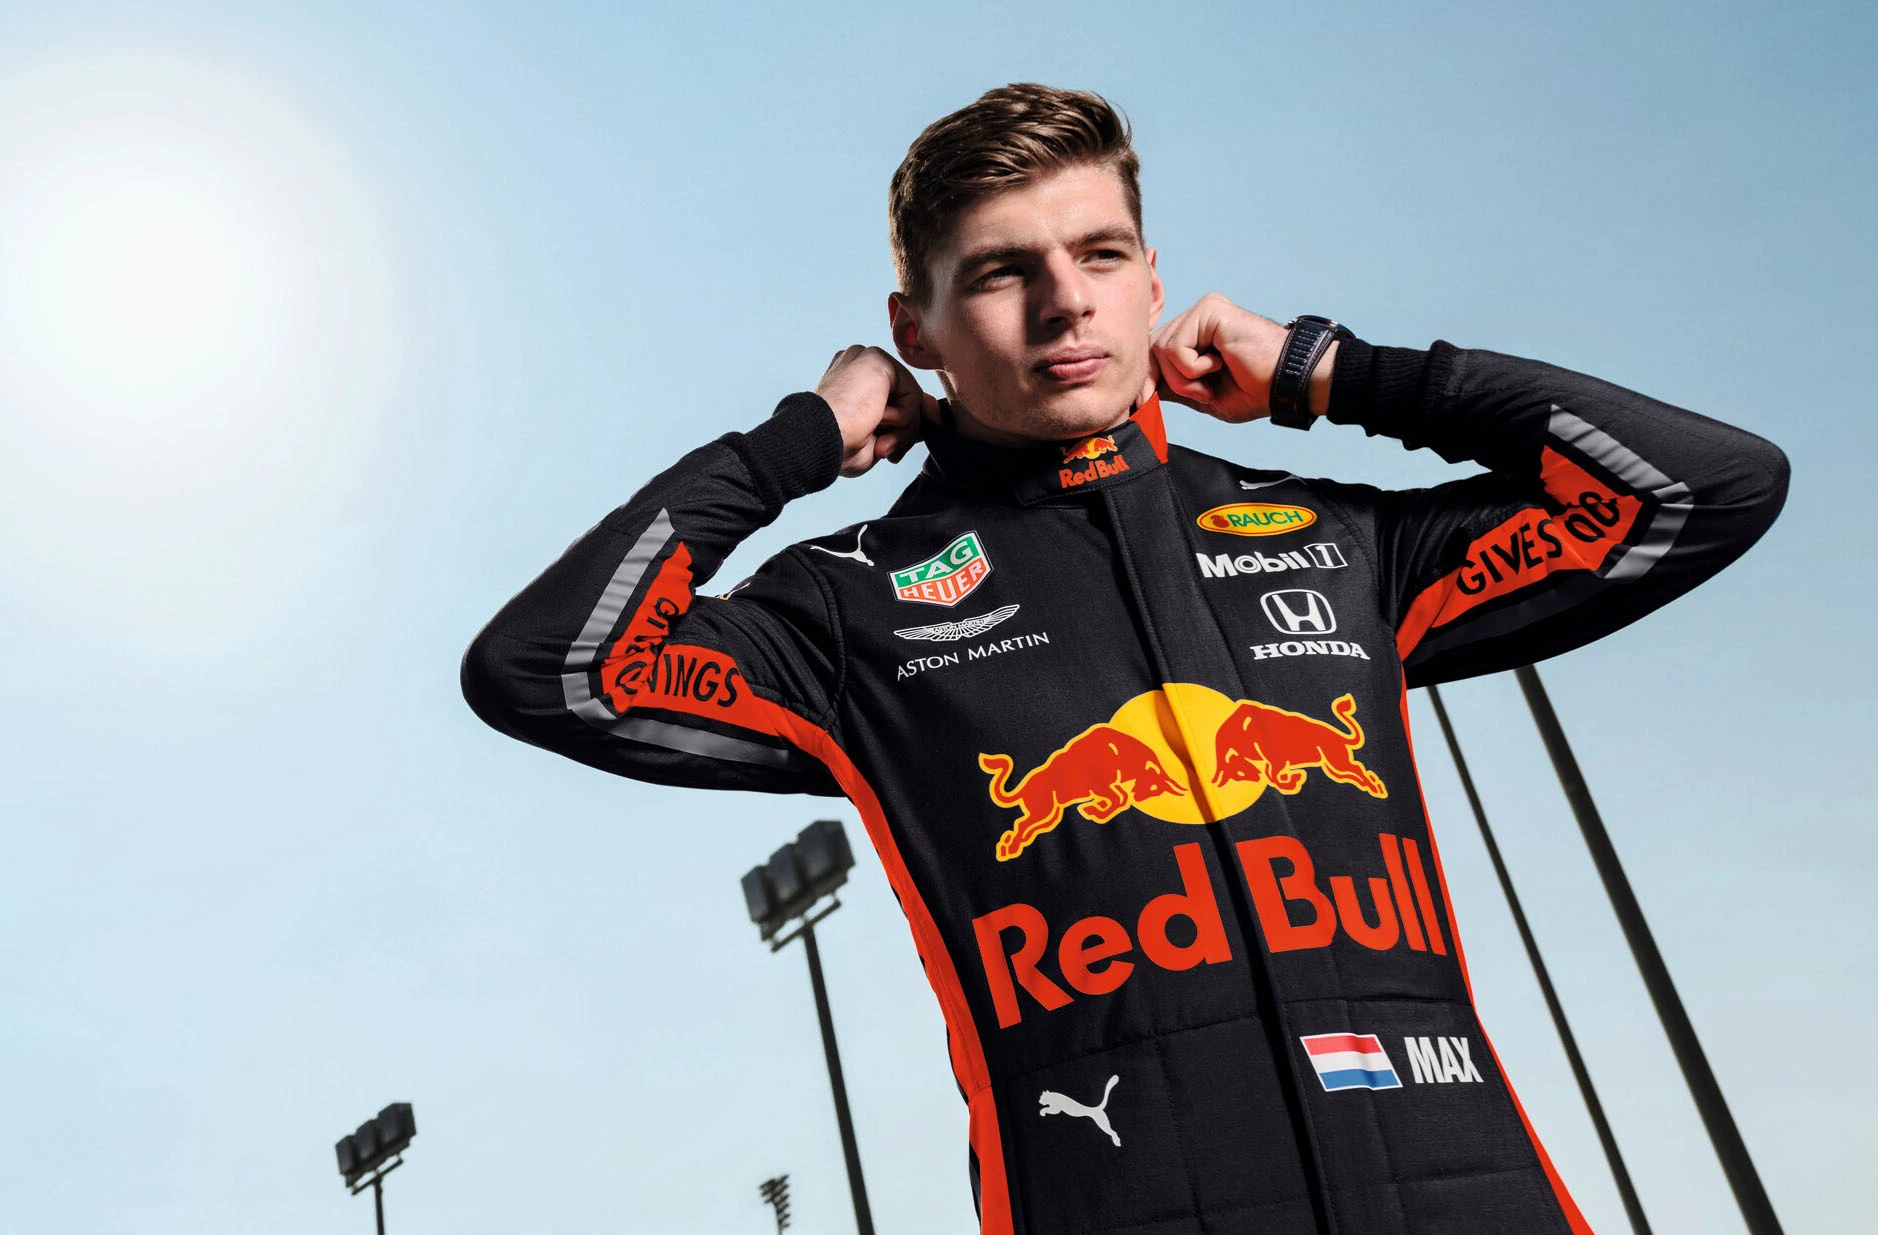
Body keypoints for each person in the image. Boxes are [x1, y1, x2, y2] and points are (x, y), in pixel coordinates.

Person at [462, 83, 1788, 1235]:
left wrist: (1347, 374)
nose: (1064, 301)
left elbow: (1707, 486)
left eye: (1100, 252)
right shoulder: (845, 613)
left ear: (1155, 278)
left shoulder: (1341, 545)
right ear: (913, 330)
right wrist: (795, 443)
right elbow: (546, 666)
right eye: (998, 270)